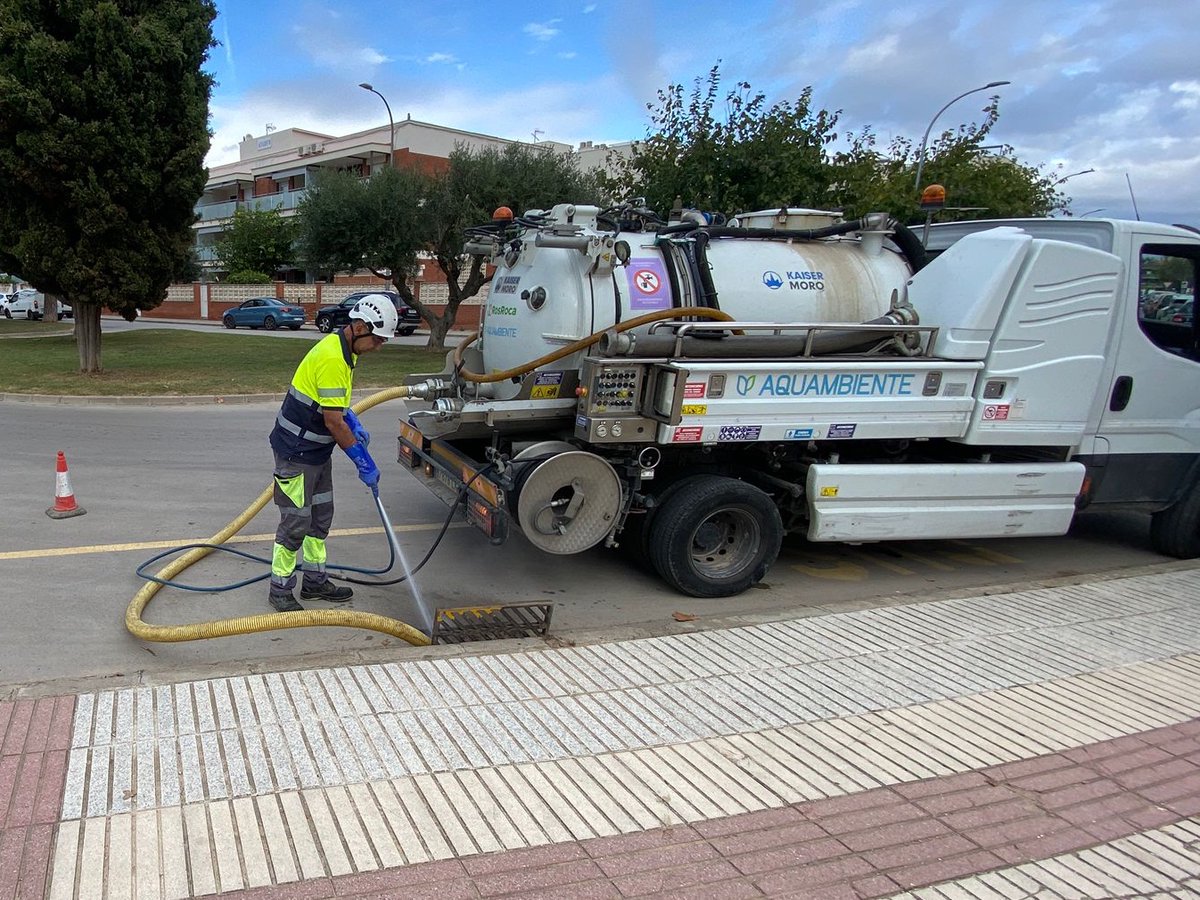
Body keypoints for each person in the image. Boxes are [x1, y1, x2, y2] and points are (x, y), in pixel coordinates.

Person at [266, 294, 397, 612]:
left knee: (320, 518)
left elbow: (333, 405)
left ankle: (314, 582)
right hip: (296, 453)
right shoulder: (333, 358)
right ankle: (280, 589)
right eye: (378, 339)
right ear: (360, 327)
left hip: (317, 453)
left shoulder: (346, 351)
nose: (379, 346)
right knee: (295, 524)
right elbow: (333, 422)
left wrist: (353, 420)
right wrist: (362, 461)